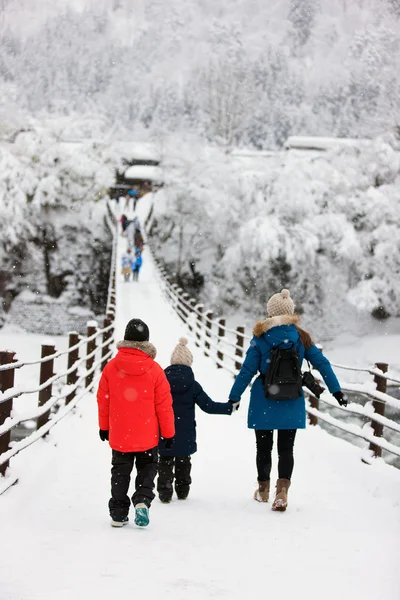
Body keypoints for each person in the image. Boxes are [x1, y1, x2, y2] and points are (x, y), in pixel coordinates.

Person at [228, 289, 347, 512]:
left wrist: (234, 397)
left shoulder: (261, 338)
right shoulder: (301, 338)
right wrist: (336, 390)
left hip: (264, 398)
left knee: (263, 447)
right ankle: (282, 491)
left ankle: (263, 491)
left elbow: (246, 371)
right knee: (286, 449)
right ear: (290, 311)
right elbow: (322, 363)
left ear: (270, 312)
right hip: (292, 398)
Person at [97, 318, 175, 528]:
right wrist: (168, 433)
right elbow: (164, 405)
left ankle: (118, 513)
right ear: (146, 341)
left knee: (120, 471)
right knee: (148, 469)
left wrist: (104, 426)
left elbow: (103, 400)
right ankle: (142, 500)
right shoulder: (155, 370)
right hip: (147, 436)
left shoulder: (112, 367)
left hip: (120, 433)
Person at [157, 337, 233, 504]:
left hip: (164, 431)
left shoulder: (161, 383)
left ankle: (164, 491)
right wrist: (229, 407)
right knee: (184, 461)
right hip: (185, 432)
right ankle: (183, 489)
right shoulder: (193, 385)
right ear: (189, 363)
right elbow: (209, 406)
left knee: (165, 460)